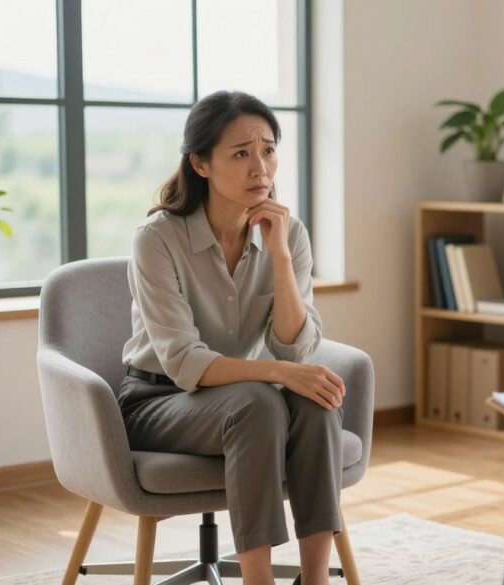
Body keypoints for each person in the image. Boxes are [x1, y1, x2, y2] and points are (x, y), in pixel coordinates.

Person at [119, 90, 345, 585]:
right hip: (156, 399)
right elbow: (183, 362)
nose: (259, 167)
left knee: (316, 401)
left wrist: (280, 256)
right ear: (200, 164)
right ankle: (257, 580)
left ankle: (316, 579)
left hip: (236, 395)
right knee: (259, 401)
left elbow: (294, 346)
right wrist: (280, 373)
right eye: (241, 153)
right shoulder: (157, 239)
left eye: (267, 149)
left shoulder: (288, 232)